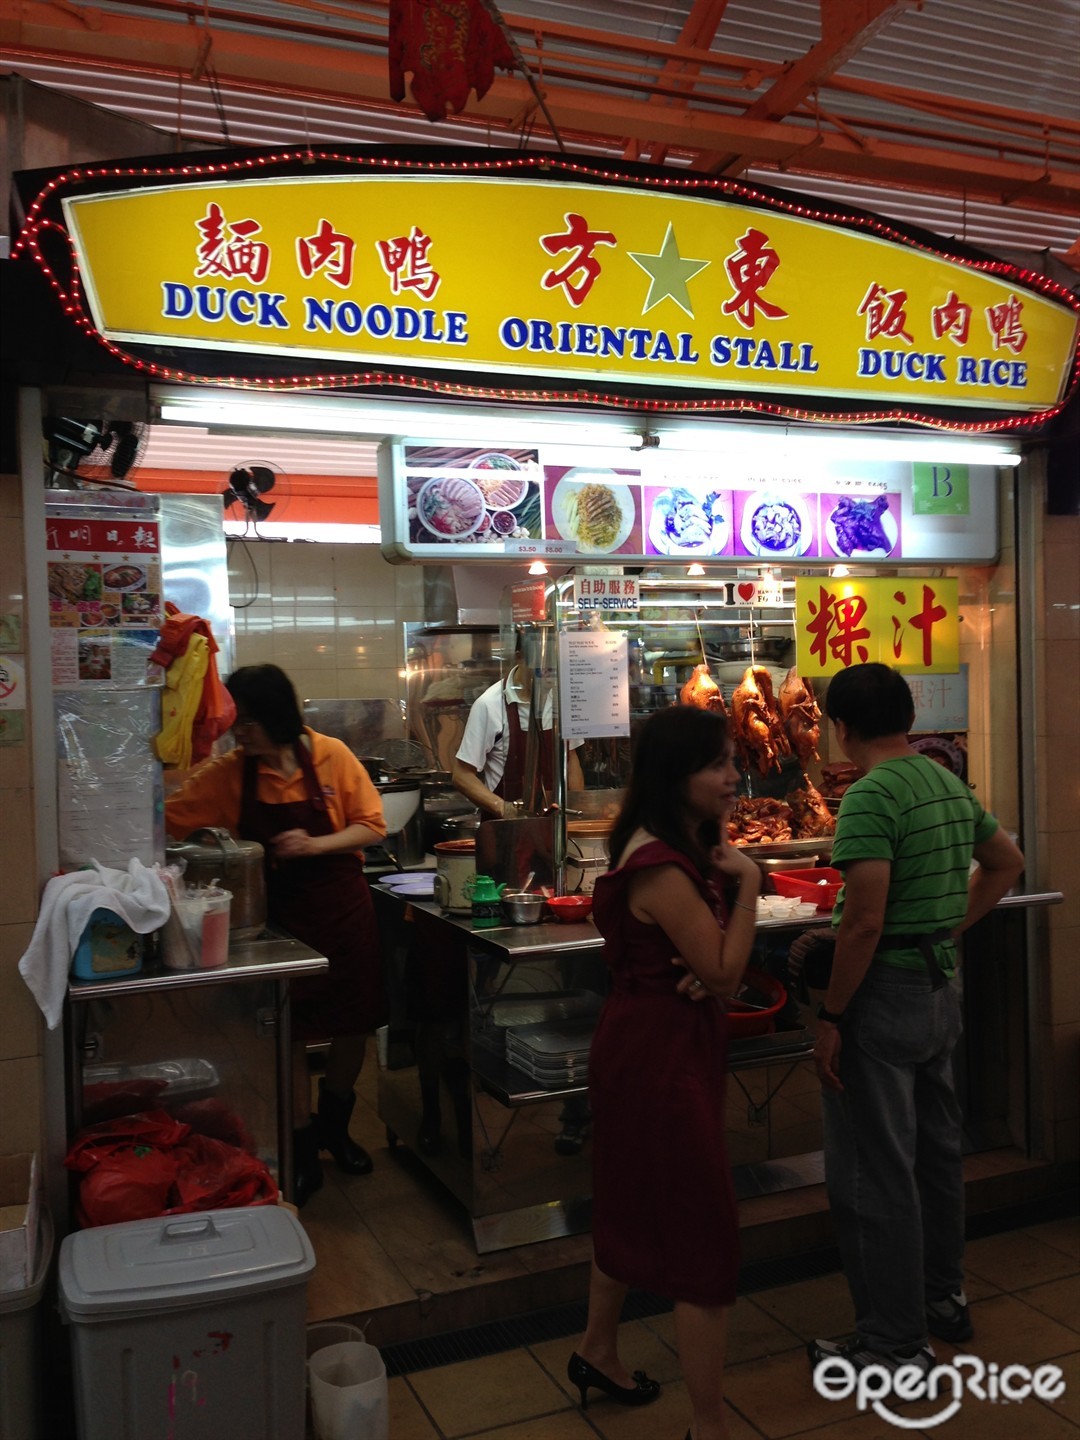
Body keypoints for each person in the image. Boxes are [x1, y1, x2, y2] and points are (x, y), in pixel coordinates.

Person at [807, 663, 1025, 1377]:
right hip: (938, 988)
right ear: (906, 717)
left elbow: (864, 921)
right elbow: (1006, 862)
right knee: (935, 1153)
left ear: (841, 728)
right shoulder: (943, 781)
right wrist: (949, 926)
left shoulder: (871, 795)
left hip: (884, 994)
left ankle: (894, 1340)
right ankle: (942, 1297)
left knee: (875, 1170)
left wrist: (832, 1015)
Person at [569, 704, 762, 1440]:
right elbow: (723, 973)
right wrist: (748, 888)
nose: (734, 777)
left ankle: (597, 1350)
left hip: (649, 1045)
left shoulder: (663, 843)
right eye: (719, 765)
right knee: (702, 1234)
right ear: (677, 776)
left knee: (629, 1202)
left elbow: (702, 962)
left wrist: (702, 956)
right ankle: (709, 1427)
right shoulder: (661, 865)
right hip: (660, 1062)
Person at [165, 664, 388, 1206]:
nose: (239, 734)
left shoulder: (331, 754)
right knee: (291, 1030)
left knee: (354, 1024)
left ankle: (337, 1127)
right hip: (280, 919)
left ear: (277, 717)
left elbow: (371, 825)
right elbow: (166, 819)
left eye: (248, 723)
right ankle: (303, 1146)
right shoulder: (229, 774)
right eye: (235, 724)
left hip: (343, 911)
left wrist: (315, 844)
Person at [451, 631, 585, 818]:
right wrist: (504, 808)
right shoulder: (489, 705)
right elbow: (462, 775)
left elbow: (571, 761)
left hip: (554, 825)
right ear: (520, 656)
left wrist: (576, 812)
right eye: (541, 664)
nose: (548, 674)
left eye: (554, 666)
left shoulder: (561, 699)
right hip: (507, 828)